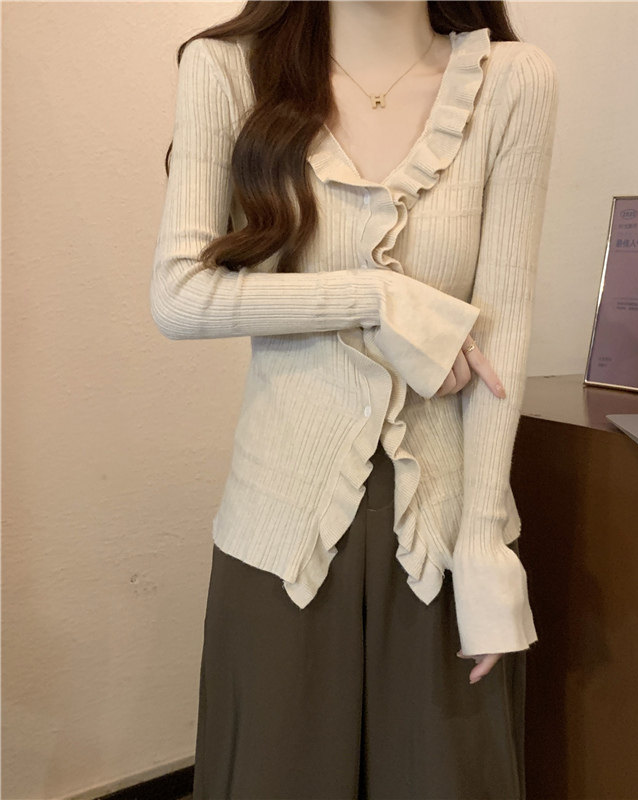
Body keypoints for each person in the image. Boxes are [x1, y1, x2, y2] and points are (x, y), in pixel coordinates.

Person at [150, 1, 558, 797]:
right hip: (279, 532)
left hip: (442, 536)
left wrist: (482, 542)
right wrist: (380, 298)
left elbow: (503, 327)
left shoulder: (513, 82)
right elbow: (181, 295)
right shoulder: (227, 70)